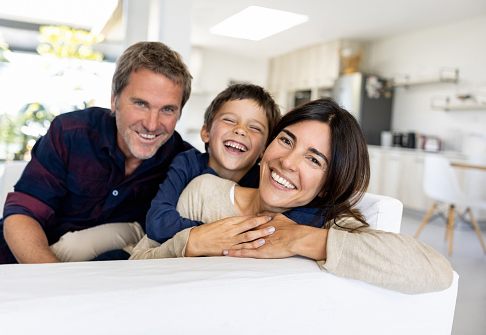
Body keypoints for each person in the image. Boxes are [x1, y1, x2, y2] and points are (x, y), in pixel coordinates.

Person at [129, 98, 454, 294]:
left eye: (313, 159)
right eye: (286, 141)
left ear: (328, 184)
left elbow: (436, 273)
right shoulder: (204, 190)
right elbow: (134, 266)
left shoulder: (327, 226)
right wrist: (191, 243)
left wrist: (302, 239)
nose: (287, 162)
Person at [0, 41, 196, 266]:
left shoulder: (184, 161)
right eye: (140, 104)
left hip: (83, 274)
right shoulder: (70, 133)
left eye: (167, 109)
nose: (151, 124)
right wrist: (53, 281)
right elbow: (23, 214)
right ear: (114, 100)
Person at [49, 83, 283, 261]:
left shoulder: (260, 185)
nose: (241, 130)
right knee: (79, 249)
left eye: (254, 128)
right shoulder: (187, 163)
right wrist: (211, 233)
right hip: (145, 230)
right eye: (230, 120)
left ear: (264, 150)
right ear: (205, 133)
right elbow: (158, 223)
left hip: (180, 245)